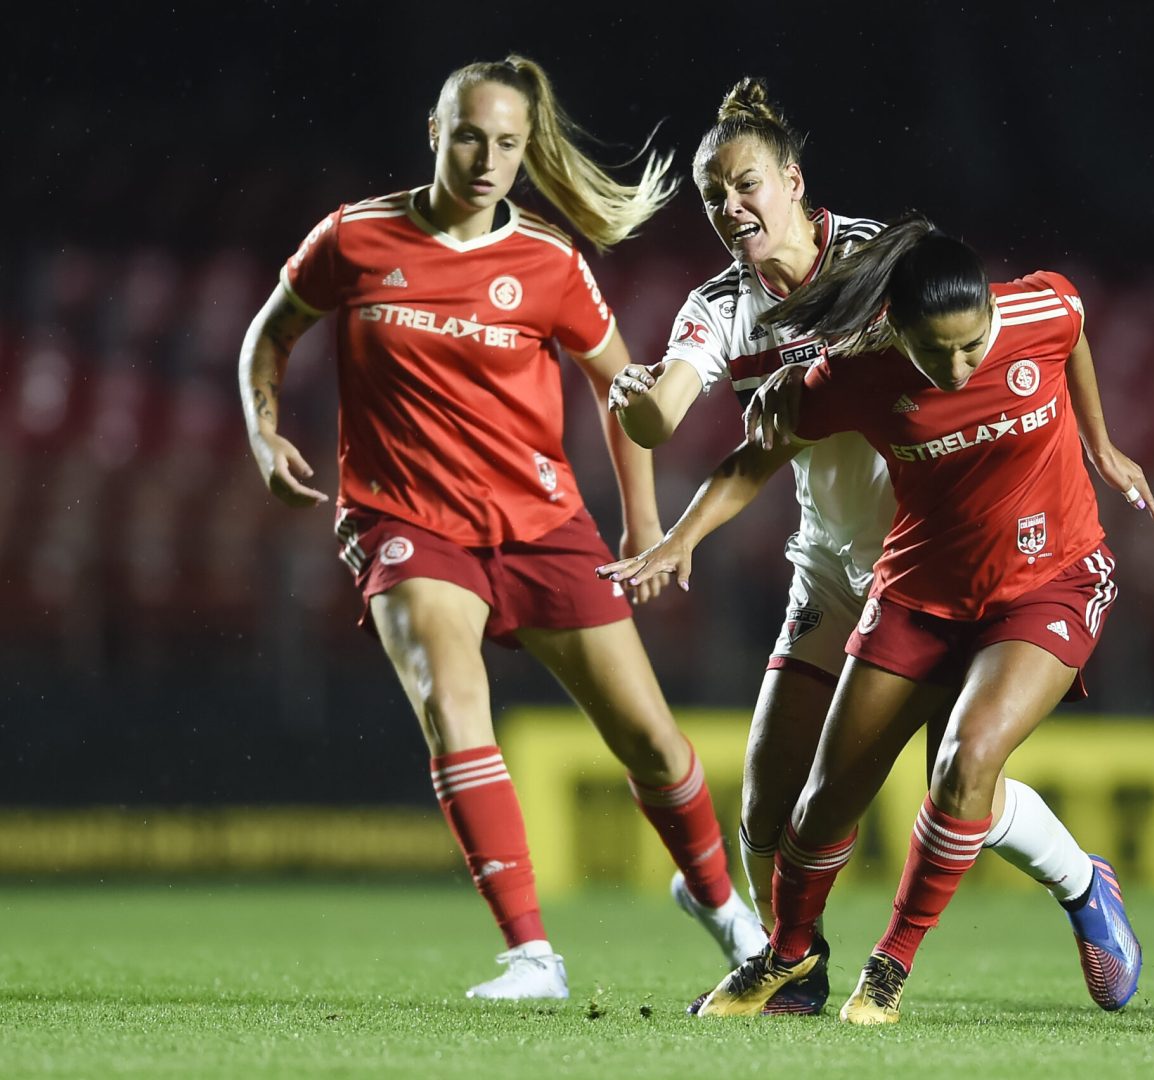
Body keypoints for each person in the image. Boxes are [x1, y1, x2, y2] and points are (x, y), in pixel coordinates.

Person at [603, 79, 1154, 1016]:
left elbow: (1017, 325)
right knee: (768, 809)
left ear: (791, 179)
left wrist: (1097, 445)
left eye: (745, 185)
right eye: (712, 197)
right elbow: (724, 436)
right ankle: (801, 965)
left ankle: (1078, 886)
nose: (730, 208)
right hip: (833, 562)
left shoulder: (880, 262)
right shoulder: (721, 306)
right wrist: (654, 450)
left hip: (941, 555)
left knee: (960, 773)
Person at [236, 55, 763, 1001]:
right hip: (408, 521)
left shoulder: (550, 265)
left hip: (542, 525)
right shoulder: (353, 239)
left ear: (526, 152)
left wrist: (642, 524)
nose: (488, 158)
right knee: (453, 701)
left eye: (509, 143)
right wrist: (263, 431)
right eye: (471, 136)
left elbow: (624, 393)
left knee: (648, 739)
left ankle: (720, 903)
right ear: (435, 133)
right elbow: (268, 336)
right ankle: (532, 956)